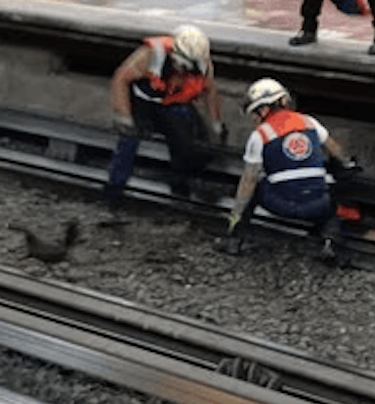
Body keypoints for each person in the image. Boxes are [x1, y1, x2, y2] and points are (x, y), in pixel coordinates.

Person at [223, 78, 359, 261]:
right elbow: (336, 151)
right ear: (284, 100)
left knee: (253, 187)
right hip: (316, 205)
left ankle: (234, 240)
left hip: (281, 204)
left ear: (262, 110)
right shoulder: (309, 122)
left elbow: (248, 181)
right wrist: (348, 164)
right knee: (330, 193)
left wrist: (235, 215)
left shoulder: (260, 136)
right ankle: (330, 243)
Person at [106, 25, 225, 202]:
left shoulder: (203, 64)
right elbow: (120, 79)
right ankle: (115, 188)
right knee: (128, 138)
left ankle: (180, 187)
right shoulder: (151, 54)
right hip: (142, 103)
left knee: (186, 139)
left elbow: (211, 91)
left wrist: (215, 123)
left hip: (172, 105)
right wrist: (124, 117)